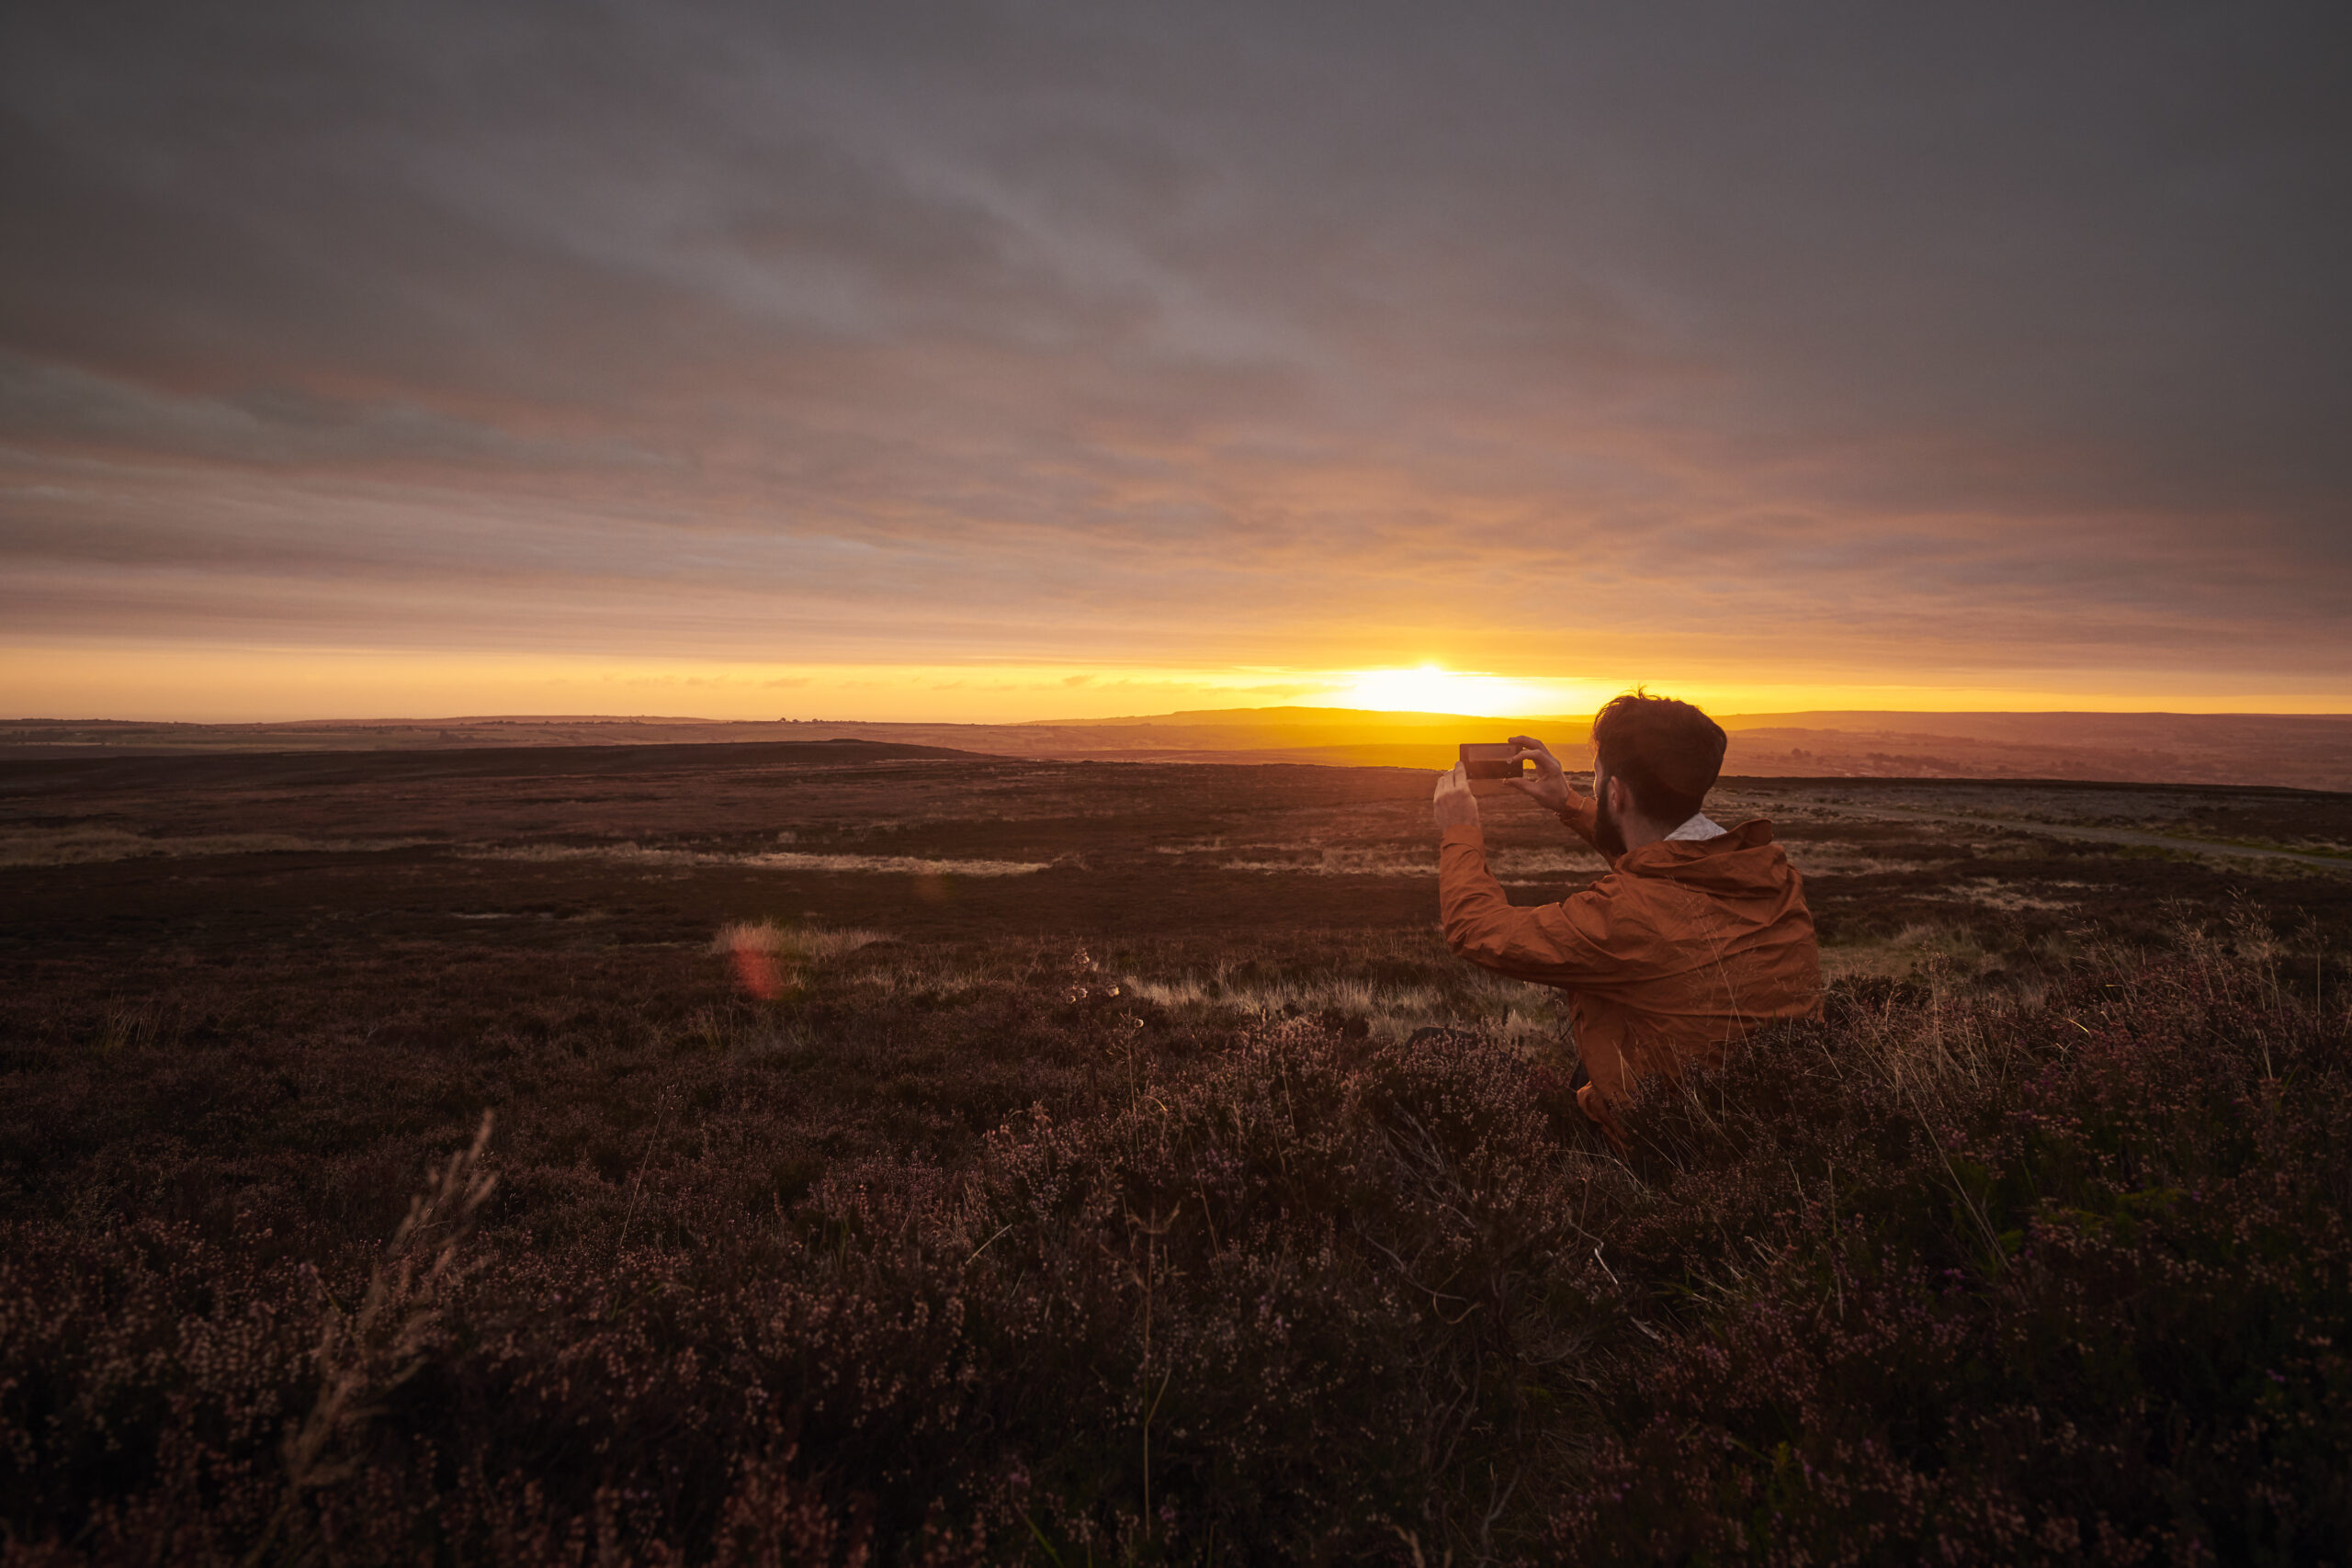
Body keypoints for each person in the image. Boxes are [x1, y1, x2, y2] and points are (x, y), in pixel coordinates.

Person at [1430, 691, 1821, 1150]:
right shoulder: (1771, 874)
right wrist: (1568, 803)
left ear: (1615, 792)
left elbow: (1475, 931)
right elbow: (1667, 866)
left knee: (1430, 1047)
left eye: (1596, 779)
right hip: (1764, 1122)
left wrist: (1459, 830)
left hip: (1661, 1145)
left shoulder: (1626, 916)